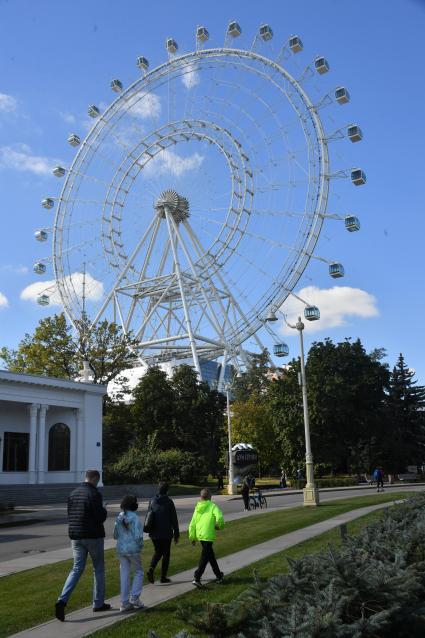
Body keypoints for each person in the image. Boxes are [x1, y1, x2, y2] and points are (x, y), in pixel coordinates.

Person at [55, 469, 110, 622]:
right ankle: (98, 603)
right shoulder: (94, 494)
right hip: (93, 536)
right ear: (94, 479)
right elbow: (99, 517)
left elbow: (70, 514)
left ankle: (62, 600)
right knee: (98, 568)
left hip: (75, 535)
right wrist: (104, 509)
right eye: (97, 481)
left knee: (77, 568)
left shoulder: (72, 493)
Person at [114, 494, 144, 612]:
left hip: (121, 549)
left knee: (124, 574)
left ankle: (124, 602)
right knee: (139, 572)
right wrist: (140, 546)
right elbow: (138, 537)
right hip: (133, 550)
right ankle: (135, 597)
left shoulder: (119, 517)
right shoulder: (135, 518)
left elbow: (115, 535)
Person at [189, 488, 224, 587]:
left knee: (210, 556)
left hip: (201, 535)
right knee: (205, 557)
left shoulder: (197, 508)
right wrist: (220, 526)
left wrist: (192, 537)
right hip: (208, 535)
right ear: (210, 497)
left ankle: (218, 575)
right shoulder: (213, 506)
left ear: (201, 497)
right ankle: (197, 577)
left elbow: (192, 523)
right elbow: (220, 517)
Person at [146, 482, 179, 584]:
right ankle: (163, 577)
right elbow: (174, 519)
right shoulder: (169, 502)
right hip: (166, 532)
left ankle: (151, 568)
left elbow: (149, 516)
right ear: (167, 491)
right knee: (166, 554)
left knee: (158, 551)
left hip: (154, 532)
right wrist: (176, 534)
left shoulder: (152, 501)